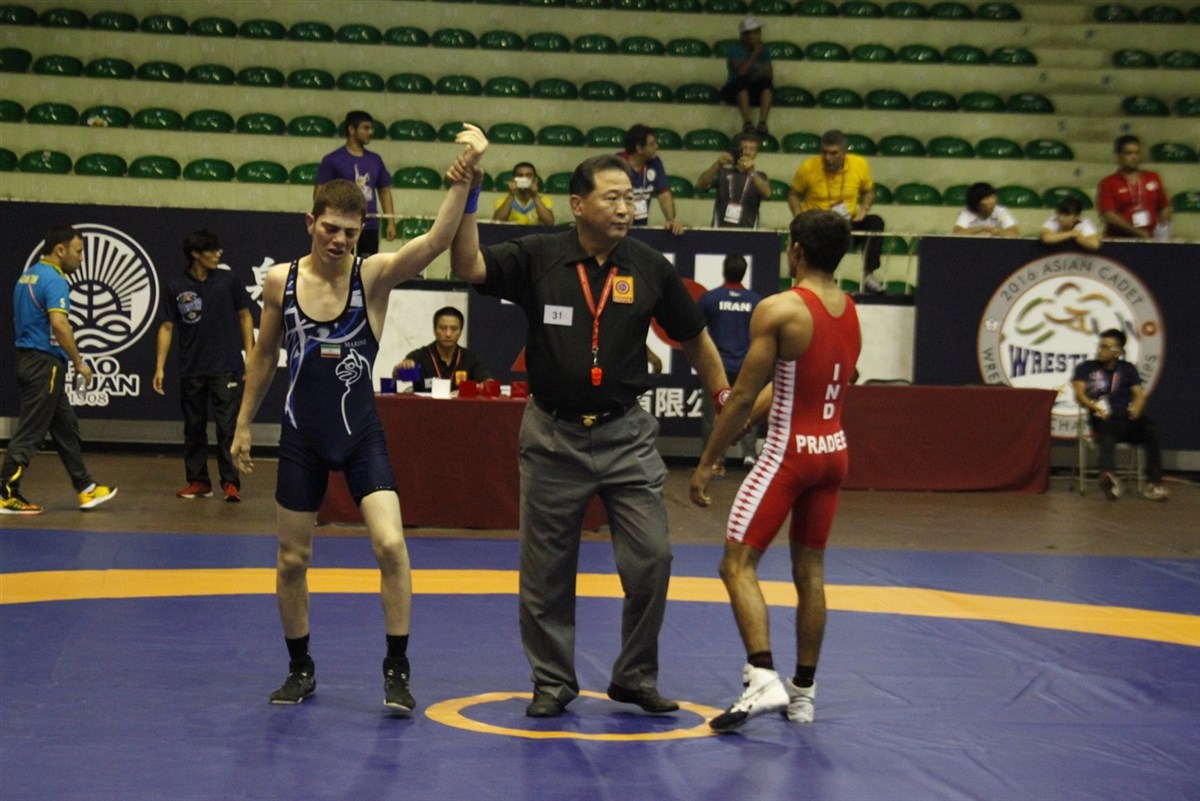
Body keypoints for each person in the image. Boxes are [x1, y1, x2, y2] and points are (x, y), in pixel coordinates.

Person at [449, 153, 730, 718]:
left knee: (653, 558)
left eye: (632, 198)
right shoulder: (540, 255)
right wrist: (470, 198)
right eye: (613, 197)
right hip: (553, 436)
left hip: (626, 435)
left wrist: (724, 400)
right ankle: (553, 681)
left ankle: (634, 676)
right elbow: (469, 265)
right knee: (546, 573)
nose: (626, 208)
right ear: (578, 205)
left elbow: (695, 338)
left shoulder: (649, 267)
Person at [231, 124, 489, 712]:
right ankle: (300, 669)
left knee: (391, 546)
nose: (340, 240)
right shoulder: (281, 281)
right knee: (292, 559)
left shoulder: (371, 277)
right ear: (310, 222)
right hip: (301, 436)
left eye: (350, 232)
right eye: (330, 229)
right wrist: (244, 422)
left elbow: (437, 241)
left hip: (359, 436)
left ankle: (396, 669)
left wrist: (466, 176)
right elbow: (265, 355)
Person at [689, 210, 862, 732]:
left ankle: (762, 676)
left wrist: (708, 460)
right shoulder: (849, 309)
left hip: (789, 456)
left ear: (797, 250)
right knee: (810, 573)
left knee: (736, 565)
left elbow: (742, 394)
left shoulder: (780, 308)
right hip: (833, 452)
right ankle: (803, 694)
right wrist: (749, 420)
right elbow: (816, 381)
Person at [1, 225, 117, 515]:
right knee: (30, 433)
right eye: (78, 251)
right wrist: (79, 362)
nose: (81, 258)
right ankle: (5, 493)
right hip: (44, 366)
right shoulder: (55, 280)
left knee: (66, 429)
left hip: (31, 361)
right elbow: (59, 324)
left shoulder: (28, 276)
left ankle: (85, 488)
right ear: (60, 249)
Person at [153, 229, 255, 502]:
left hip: (225, 366)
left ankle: (230, 483)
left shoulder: (229, 280)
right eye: (211, 250)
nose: (218, 254)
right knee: (193, 428)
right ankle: (198, 481)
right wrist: (159, 366)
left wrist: (251, 355)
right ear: (196, 254)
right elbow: (166, 326)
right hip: (191, 368)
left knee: (227, 427)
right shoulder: (176, 286)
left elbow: (245, 316)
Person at [1071, 328, 1168, 501]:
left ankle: (1153, 483)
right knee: (1107, 435)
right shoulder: (1086, 368)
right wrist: (1093, 406)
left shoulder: (1128, 369)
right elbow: (1079, 394)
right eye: (1100, 346)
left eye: (1106, 347)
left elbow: (1139, 395)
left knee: (1151, 430)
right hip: (1103, 418)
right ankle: (1109, 478)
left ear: (1118, 352)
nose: (1100, 350)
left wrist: (1137, 407)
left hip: (1126, 420)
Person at [787, 130, 886, 294]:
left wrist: (864, 209)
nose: (828, 158)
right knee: (801, 230)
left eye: (834, 153)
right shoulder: (808, 167)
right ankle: (803, 278)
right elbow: (793, 195)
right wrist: (799, 215)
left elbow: (869, 192)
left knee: (875, 222)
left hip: (846, 224)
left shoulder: (859, 164)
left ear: (844, 152)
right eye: (824, 152)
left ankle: (869, 275)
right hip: (817, 225)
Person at [697, 253, 762, 469]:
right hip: (746, 367)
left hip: (717, 367)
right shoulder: (755, 301)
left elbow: (695, 330)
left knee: (712, 415)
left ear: (724, 270)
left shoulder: (710, 299)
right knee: (747, 410)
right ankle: (750, 454)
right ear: (744, 273)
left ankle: (713, 460)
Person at [315, 110, 396, 256]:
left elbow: (384, 191)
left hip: (370, 226)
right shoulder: (332, 160)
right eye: (365, 128)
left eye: (371, 128)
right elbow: (320, 193)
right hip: (342, 225)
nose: (370, 132)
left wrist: (391, 222)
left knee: (367, 265)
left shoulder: (375, 160)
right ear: (352, 129)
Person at [393, 306, 491, 392]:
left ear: (460, 332)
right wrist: (401, 367)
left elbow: (488, 383)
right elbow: (397, 376)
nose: (448, 334)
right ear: (434, 330)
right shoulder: (419, 356)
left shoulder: (470, 359)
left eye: (454, 329)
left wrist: (470, 389)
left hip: (459, 406)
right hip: (426, 406)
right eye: (443, 328)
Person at [1097, 134, 1172, 239]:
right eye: (1129, 153)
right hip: (1119, 240)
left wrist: (1162, 229)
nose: (1134, 157)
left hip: (1150, 239)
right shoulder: (1108, 183)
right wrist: (1137, 232)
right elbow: (1108, 215)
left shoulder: (1152, 177)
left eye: (1137, 153)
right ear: (1118, 156)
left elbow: (1164, 206)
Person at [696, 133, 771, 229]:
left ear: (756, 154)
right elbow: (701, 184)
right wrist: (718, 164)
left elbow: (767, 193)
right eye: (744, 148)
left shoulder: (759, 176)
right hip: (720, 230)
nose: (747, 152)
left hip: (748, 231)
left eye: (752, 149)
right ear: (738, 150)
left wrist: (751, 171)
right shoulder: (723, 172)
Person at [620, 124, 685, 235]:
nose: (656, 146)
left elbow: (663, 193)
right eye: (652, 144)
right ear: (639, 148)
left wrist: (671, 220)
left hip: (641, 227)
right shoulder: (617, 164)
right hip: (618, 226)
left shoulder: (655, 163)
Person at [719, 16, 773, 135]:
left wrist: (763, 72)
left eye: (758, 32)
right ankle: (747, 122)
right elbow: (741, 72)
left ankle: (762, 123)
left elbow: (769, 74)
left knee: (766, 84)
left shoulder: (764, 50)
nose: (757, 36)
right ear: (744, 36)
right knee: (741, 82)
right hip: (734, 91)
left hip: (754, 89)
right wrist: (755, 53)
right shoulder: (735, 49)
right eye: (753, 33)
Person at [953, 182, 1019, 237]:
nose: (992, 202)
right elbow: (957, 232)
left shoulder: (1001, 212)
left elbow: (1014, 233)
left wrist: (996, 231)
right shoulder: (967, 212)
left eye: (993, 197)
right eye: (986, 199)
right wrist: (981, 229)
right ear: (976, 203)